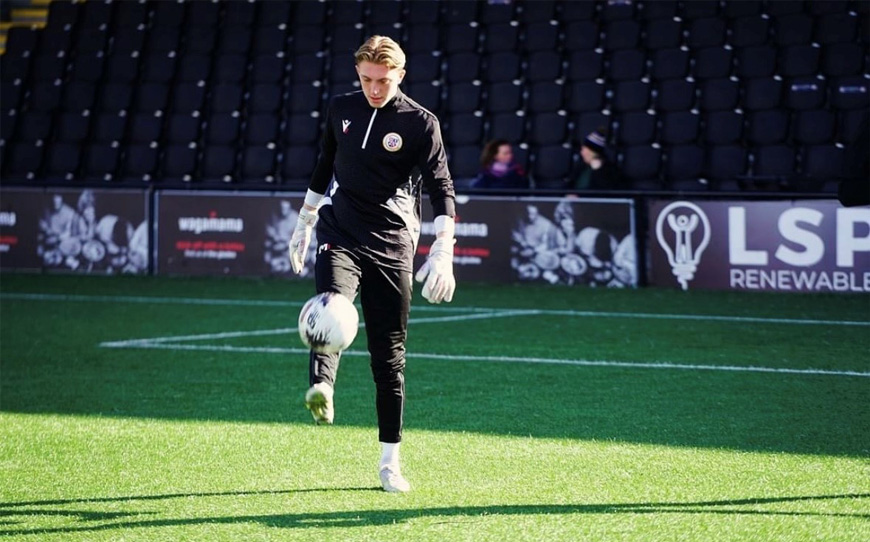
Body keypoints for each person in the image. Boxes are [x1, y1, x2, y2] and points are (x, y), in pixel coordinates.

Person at [288, 36, 457, 494]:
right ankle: (323, 387)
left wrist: (444, 248)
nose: (374, 89)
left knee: (389, 358)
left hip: (392, 243)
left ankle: (389, 462)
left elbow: (441, 185)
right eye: (366, 79)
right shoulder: (341, 108)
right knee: (332, 303)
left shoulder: (421, 123)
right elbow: (326, 162)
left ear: (400, 75)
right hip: (339, 230)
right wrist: (305, 220)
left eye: (383, 80)